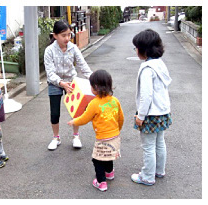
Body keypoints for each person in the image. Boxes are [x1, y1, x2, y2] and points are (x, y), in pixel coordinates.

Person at [68, 70, 124, 191]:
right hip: (115, 135)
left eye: (91, 85)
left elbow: (84, 119)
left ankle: (101, 182)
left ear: (96, 87)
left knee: (98, 159)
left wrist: (74, 121)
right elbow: (121, 118)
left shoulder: (94, 103)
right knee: (109, 155)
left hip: (102, 137)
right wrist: (117, 130)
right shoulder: (115, 101)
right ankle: (109, 173)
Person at [131, 29, 172, 185]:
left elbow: (146, 96)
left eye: (136, 47)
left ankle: (147, 176)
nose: (135, 50)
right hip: (162, 111)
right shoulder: (160, 64)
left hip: (150, 113)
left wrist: (141, 116)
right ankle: (159, 171)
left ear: (143, 49)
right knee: (160, 142)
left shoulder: (147, 69)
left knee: (148, 145)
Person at [44, 20, 92, 150]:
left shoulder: (73, 48)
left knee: (76, 110)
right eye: (63, 35)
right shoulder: (49, 51)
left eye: (69, 35)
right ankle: (56, 138)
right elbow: (50, 73)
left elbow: (83, 65)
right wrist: (61, 83)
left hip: (71, 81)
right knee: (55, 113)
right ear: (55, 35)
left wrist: (93, 79)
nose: (67, 38)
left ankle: (76, 136)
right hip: (55, 83)